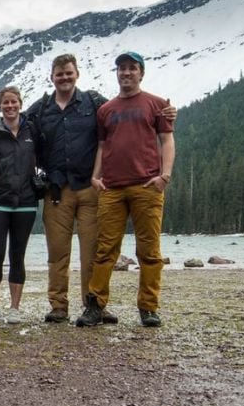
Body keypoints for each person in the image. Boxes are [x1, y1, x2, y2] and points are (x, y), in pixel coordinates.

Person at [26, 53, 175, 324]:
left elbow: (124, 120)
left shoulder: (95, 103)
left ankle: (93, 305)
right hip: (56, 190)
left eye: (69, 72)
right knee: (57, 253)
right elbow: (18, 130)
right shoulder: (39, 109)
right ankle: (58, 306)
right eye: (59, 73)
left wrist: (167, 114)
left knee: (94, 252)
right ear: (52, 77)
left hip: (90, 189)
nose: (64, 77)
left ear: (77, 74)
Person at [77, 52, 175, 328]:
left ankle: (148, 307)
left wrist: (164, 176)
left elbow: (166, 141)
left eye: (132, 68)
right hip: (111, 188)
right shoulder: (106, 110)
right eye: (122, 68)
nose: (126, 73)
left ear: (141, 73)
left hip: (147, 186)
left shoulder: (156, 105)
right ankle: (95, 305)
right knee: (105, 249)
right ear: (117, 73)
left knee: (149, 251)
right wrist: (95, 177)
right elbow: (102, 146)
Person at [0, 87, 39, 324]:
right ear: (0, 106)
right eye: (5, 102)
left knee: (18, 255)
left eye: (13, 102)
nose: (10, 106)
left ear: (20, 103)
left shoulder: (32, 131)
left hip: (26, 202)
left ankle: (15, 307)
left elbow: (44, 158)